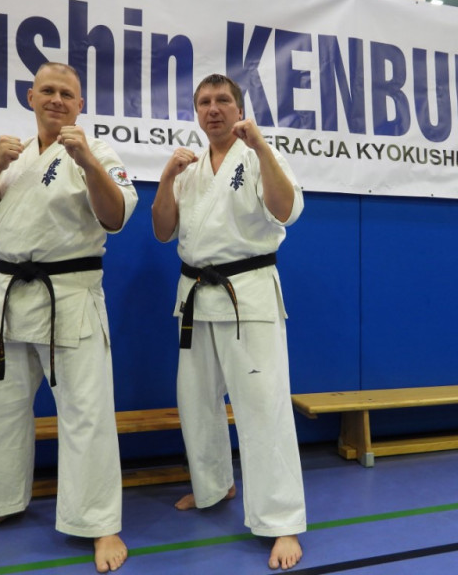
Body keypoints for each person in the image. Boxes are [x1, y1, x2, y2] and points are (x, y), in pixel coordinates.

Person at [0, 62, 138, 573]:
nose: (57, 100)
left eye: (67, 94)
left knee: (86, 414)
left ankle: (99, 522)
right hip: (9, 295)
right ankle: (0, 501)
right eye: (48, 91)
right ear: (31, 97)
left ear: (81, 105)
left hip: (71, 295)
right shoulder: (7, 155)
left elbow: (116, 217)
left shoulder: (99, 152)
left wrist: (87, 162)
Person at [151, 73, 307, 570]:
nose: (213, 109)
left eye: (222, 101)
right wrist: (165, 179)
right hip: (196, 296)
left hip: (248, 296)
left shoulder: (260, 155)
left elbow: (286, 210)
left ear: (240, 109)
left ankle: (282, 521)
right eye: (204, 102)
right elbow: (162, 231)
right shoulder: (189, 168)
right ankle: (213, 487)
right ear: (196, 111)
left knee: (262, 407)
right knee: (196, 402)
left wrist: (260, 146)